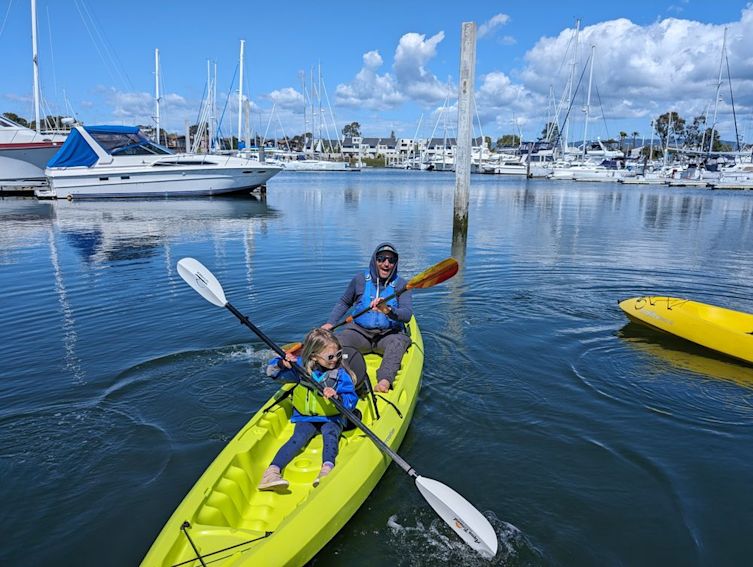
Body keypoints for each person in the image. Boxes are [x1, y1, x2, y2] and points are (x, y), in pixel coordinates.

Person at [258, 328, 358, 491]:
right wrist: (280, 363)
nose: (335, 360)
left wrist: (337, 397)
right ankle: (272, 472)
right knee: (298, 438)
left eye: (339, 354)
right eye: (330, 357)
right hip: (305, 417)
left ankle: (326, 470)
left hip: (331, 417)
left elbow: (351, 400)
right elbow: (271, 373)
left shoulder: (340, 374)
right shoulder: (299, 369)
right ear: (313, 356)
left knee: (331, 436)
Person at [323, 243, 413, 393]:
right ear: (374, 260)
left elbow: (407, 314)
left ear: (395, 264)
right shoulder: (360, 280)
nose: (386, 263)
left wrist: (389, 310)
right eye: (382, 259)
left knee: (399, 342)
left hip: (388, 335)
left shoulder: (402, 285)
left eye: (391, 260)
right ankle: (334, 376)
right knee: (335, 343)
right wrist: (330, 323)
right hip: (359, 333)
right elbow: (345, 302)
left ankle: (384, 381)